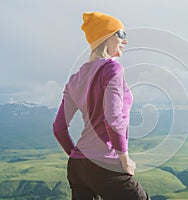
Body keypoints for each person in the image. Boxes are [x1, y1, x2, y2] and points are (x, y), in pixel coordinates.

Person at [53, 11, 149, 200]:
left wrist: (75, 155)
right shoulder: (112, 69)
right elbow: (113, 118)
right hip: (105, 163)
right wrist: (124, 158)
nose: (125, 40)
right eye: (121, 34)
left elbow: (58, 128)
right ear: (105, 37)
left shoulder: (75, 79)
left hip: (77, 168)